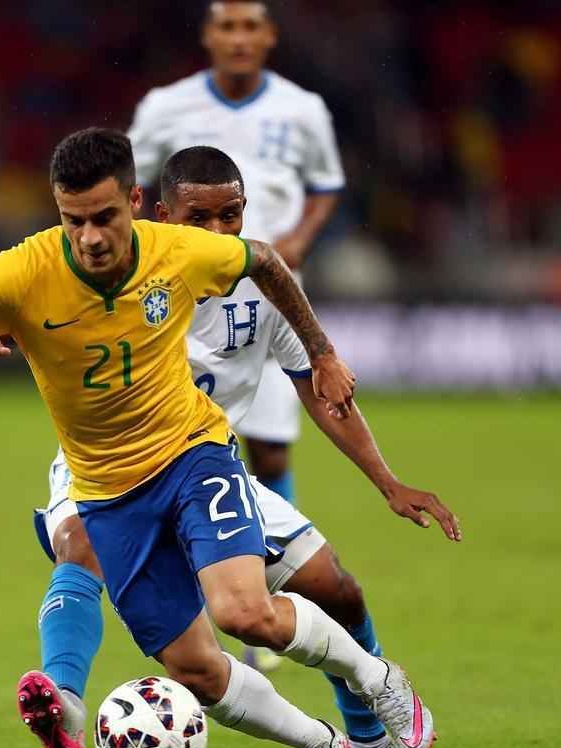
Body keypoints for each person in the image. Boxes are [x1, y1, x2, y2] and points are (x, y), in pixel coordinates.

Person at [0, 128, 432, 748]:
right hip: (108, 493)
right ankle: (321, 744)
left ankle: (377, 680)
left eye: (104, 217)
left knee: (245, 615)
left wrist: (320, 353)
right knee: (198, 670)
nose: (89, 236)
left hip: (192, 458)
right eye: (73, 220)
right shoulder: (23, 272)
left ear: (134, 203)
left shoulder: (177, 251)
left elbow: (263, 260)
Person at [128, 0, 345, 511]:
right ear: (209, 36)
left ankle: (271, 548)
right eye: (228, 27)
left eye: (251, 27)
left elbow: (326, 186)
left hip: (271, 296)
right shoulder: (165, 106)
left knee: (271, 450)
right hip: (184, 297)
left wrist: (298, 241)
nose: (239, 39)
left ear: (270, 35)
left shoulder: (304, 109)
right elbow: (127, 186)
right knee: (170, 439)